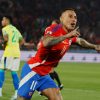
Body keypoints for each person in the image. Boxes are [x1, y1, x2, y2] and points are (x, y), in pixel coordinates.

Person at [17, 9, 100, 100]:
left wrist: (94, 46)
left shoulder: (70, 35)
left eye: (75, 17)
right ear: (61, 19)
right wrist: (66, 36)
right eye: (70, 16)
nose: (74, 19)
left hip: (44, 75)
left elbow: (80, 41)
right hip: (33, 70)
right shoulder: (54, 29)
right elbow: (46, 42)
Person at [0, 16, 34, 100]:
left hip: (8, 53)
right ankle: (16, 93)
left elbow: (6, 39)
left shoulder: (5, 29)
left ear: (7, 21)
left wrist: (3, 43)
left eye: (3, 20)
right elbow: (22, 41)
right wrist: (15, 46)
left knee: (1, 70)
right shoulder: (15, 29)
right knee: (14, 72)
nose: (2, 21)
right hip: (17, 53)